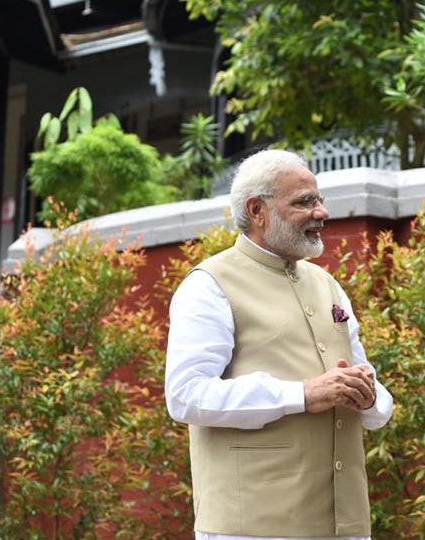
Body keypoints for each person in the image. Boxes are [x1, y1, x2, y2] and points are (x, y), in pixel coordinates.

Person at [165, 149, 394, 540]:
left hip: (346, 525)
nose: (321, 212)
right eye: (304, 202)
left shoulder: (328, 285)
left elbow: (373, 393)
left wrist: (370, 399)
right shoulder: (210, 285)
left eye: (319, 199)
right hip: (253, 527)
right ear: (257, 210)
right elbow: (185, 396)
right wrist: (301, 394)